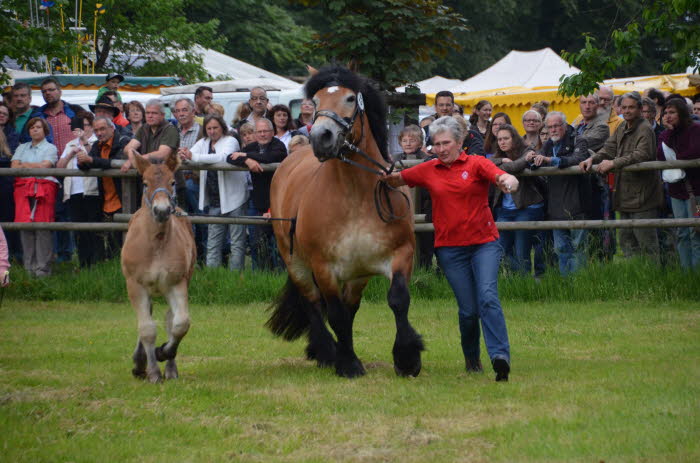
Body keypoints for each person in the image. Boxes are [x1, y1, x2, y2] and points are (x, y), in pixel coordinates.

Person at [381, 116, 518, 381]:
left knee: (488, 297)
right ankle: (471, 359)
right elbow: (397, 180)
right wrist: (378, 176)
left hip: (484, 244)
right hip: (450, 249)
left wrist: (508, 180)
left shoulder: (476, 163)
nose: (441, 149)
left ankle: (500, 357)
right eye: (436, 144)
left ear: (459, 142)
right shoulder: (429, 168)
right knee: (468, 311)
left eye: (446, 143)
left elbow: (500, 175)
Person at [580, 92, 664, 260]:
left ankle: (653, 280)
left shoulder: (645, 128)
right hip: (624, 194)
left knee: (647, 244)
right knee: (627, 243)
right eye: (624, 107)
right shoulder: (622, 126)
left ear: (640, 109)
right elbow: (609, 148)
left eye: (631, 107)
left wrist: (613, 163)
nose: (627, 111)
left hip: (643, 195)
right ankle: (635, 280)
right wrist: (592, 158)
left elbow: (642, 154)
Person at [528, 111, 591, 275]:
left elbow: (578, 159)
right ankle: (566, 284)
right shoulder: (548, 144)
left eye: (556, 126)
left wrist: (552, 161)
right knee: (561, 248)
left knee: (579, 247)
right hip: (556, 205)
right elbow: (539, 159)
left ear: (564, 125)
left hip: (578, 202)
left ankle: (580, 284)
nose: (553, 130)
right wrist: (533, 158)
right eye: (549, 127)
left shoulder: (578, 139)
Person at [183, 115, 248, 270]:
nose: (212, 131)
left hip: (234, 199)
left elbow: (223, 158)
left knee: (237, 243)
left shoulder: (231, 140)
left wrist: (194, 157)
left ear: (222, 127)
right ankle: (212, 277)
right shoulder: (203, 142)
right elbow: (190, 156)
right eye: (209, 128)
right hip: (214, 199)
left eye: (215, 128)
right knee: (213, 242)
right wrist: (184, 154)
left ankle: (235, 280)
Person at [227, 118, 287, 270]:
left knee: (277, 244)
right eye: (259, 132)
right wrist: (247, 161)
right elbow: (230, 158)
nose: (262, 134)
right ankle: (260, 276)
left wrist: (246, 157)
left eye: (265, 131)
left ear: (272, 132)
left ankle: (279, 276)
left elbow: (270, 158)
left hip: (277, 201)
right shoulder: (252, 147)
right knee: (256, 243)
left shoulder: (278, 146)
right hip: (257, 201)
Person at [491, 124, 545, 276]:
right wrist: (503, 160)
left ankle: (524, 284)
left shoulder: (527, 151)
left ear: (514, 138)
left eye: (506, 138)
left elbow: (512, 168)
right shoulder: (498, 157)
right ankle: (519, 279)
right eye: (499, 139)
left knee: (522, 250)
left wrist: (515, 163)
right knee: (501, 249)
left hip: (527, 207)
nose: (502, 142)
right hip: (505, 210)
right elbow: (488, 164)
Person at [77, 117, 131, 260]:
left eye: (102, 129)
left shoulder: (123, 141)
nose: (99, 133)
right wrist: (82, 161)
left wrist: (91, 160)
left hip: (125, 197)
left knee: (123, 239)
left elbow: (119, 161)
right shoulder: (97, 146)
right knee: (111, 239)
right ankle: (109, 268)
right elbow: (89, 162)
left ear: (112, 128)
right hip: (106, 198)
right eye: (96, 130)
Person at [11, 118, 59, 277]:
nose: (35, 130)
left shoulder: (51, 148)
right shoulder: (21, 147)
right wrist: (34, 167)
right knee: (25, 228)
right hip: (23, 191)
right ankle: (28, 270)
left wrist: (24, 166)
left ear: (45, 130)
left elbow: (45, 166)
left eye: (38, 127)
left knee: (42, 228)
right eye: (32, 127)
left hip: (43, 191)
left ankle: (42, 270)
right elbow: (13, 167)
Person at [656, 98, 700, 269]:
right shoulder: (664, 134)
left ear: (682, 113)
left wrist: (672, 139)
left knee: (696, 232)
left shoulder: (696, 130)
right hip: (676, 191)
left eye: (672, 112)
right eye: (665, 113)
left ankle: (696, 276)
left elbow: (688, 154)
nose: (668, 116)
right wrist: (669, 133)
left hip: (696, 192)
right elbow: (661, 157)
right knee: (681, 233)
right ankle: (686, 273)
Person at [56, 112, 101, 267]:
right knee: (79, 230)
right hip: (73, 192)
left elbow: (94, 158)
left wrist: (83, 141)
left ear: (91, 126)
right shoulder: (70, 144)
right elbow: (59, 167)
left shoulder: (96, 141)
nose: (81, 129)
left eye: (85, 126)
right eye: (78, 127)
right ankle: (83, 264)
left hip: (92, 191)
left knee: (93, 229)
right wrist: (70, 153)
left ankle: (96, 263)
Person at [122, 99, 179, 172]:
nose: (150, 116)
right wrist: (131, 154)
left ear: (162, 115)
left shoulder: (170, 129)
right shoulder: (144, 128)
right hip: (150, 177)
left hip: (169, 179)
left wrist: (138, 159)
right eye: (147, 113)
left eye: (154, 113)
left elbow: (162, 154)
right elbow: (127, 149)